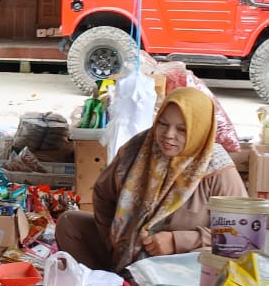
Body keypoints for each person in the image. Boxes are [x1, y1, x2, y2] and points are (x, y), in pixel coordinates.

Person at [56, 87, 246, 272]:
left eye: (182, 129)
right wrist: (113, 238)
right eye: (163, 124)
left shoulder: (217, 168)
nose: (168, 135)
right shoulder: (139, 148)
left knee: (206, 259)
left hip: (177, 266)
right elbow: (103, 194)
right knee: (70, 224)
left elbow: (241, 237)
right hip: (127, 252)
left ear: (199, 130)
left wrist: (177, 242)